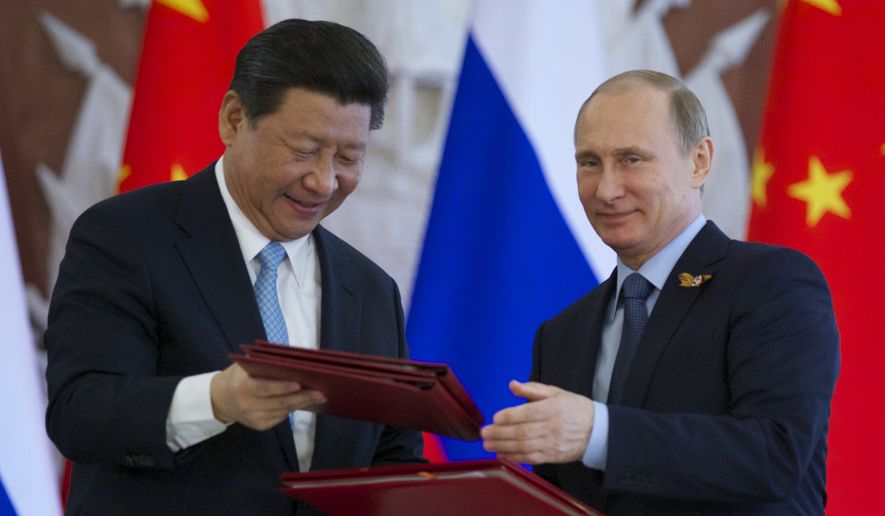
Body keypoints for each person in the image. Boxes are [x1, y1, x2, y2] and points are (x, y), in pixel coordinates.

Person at [45, 19, 424, 515]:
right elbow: (81, 413)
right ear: (234, 119)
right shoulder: (125, 236)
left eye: (349, 157)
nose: (324, 181)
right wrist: (218, 399)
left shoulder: (370, 288)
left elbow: (391, 460)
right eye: (304, 151)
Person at [481, 70, 839, 515]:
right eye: (589, 162)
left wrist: (599, 433)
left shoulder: (771, 284)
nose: (607, 189)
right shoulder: (560, 334)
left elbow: (774, 455)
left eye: (632, 159)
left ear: (699, 162)